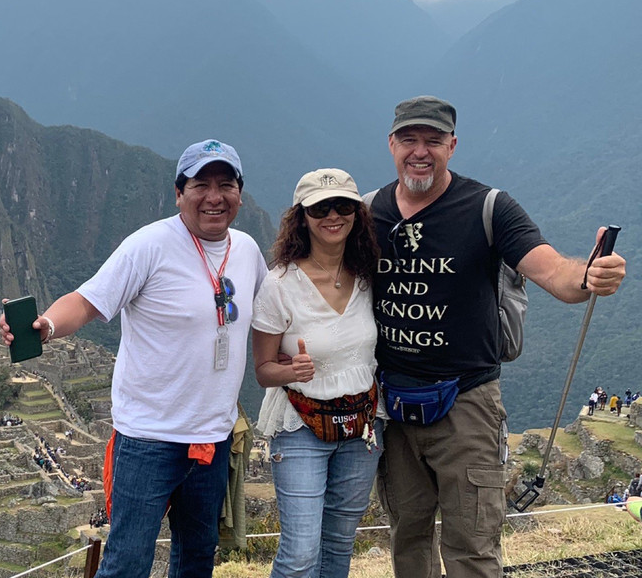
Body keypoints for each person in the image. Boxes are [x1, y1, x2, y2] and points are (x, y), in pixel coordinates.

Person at [367, 96, 627, 578]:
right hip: (393, 407)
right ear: (391, 144)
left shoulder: (488, 207)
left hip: (466, 405)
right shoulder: (367, 212)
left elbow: (553, 272)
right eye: (409, 139)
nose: (419, 151)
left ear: (453, 145)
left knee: (472, 548)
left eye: (433, 140)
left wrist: (589, 274)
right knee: (408, 541)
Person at [0, 139, 268, 578]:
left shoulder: (248, 251)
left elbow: (270, 315)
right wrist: (44, 326)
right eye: (202, 184)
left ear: (240, 192)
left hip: (213, 437)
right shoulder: (149, 246)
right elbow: (86, 301)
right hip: (148, 438)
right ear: (179, 193)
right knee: (127, 561)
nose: (215, 196)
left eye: (227, 184)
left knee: (197, 556)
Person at [252, 168, 382, 578]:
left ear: (357, 214)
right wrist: (291, 369)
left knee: (339, 544)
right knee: (301, 553)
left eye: (343, 206)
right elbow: (263, 371)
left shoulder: (367, 276)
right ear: (302, 216)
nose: (333, 215)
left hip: (361, 426)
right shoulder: (279, 285)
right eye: (320, 207)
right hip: (301, 426)